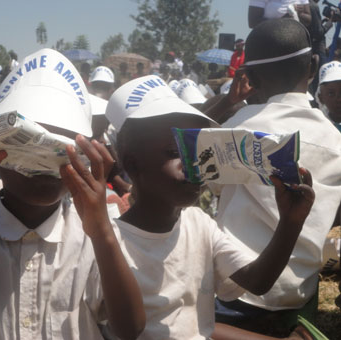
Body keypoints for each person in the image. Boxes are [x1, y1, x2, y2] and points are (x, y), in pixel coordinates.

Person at [0, 48, 145, 340]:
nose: (43, 165)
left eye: (59, 149)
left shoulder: (92, 233)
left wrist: (102, 232)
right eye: (26, 144)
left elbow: (130, 328)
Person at [104, 75, 316, 339]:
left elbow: (257, 281)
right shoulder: (110, 243)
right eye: (174, 153)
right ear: (133, 165)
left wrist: (291, 222)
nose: (194, 165)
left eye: (198, 152)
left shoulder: (198, 223)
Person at [215, 18, 341, 333]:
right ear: (313, 66)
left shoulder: (239, 126)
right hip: (300, 293)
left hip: (237, 291)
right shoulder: (336, 141)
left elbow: (206, 180)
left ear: (252, 78)